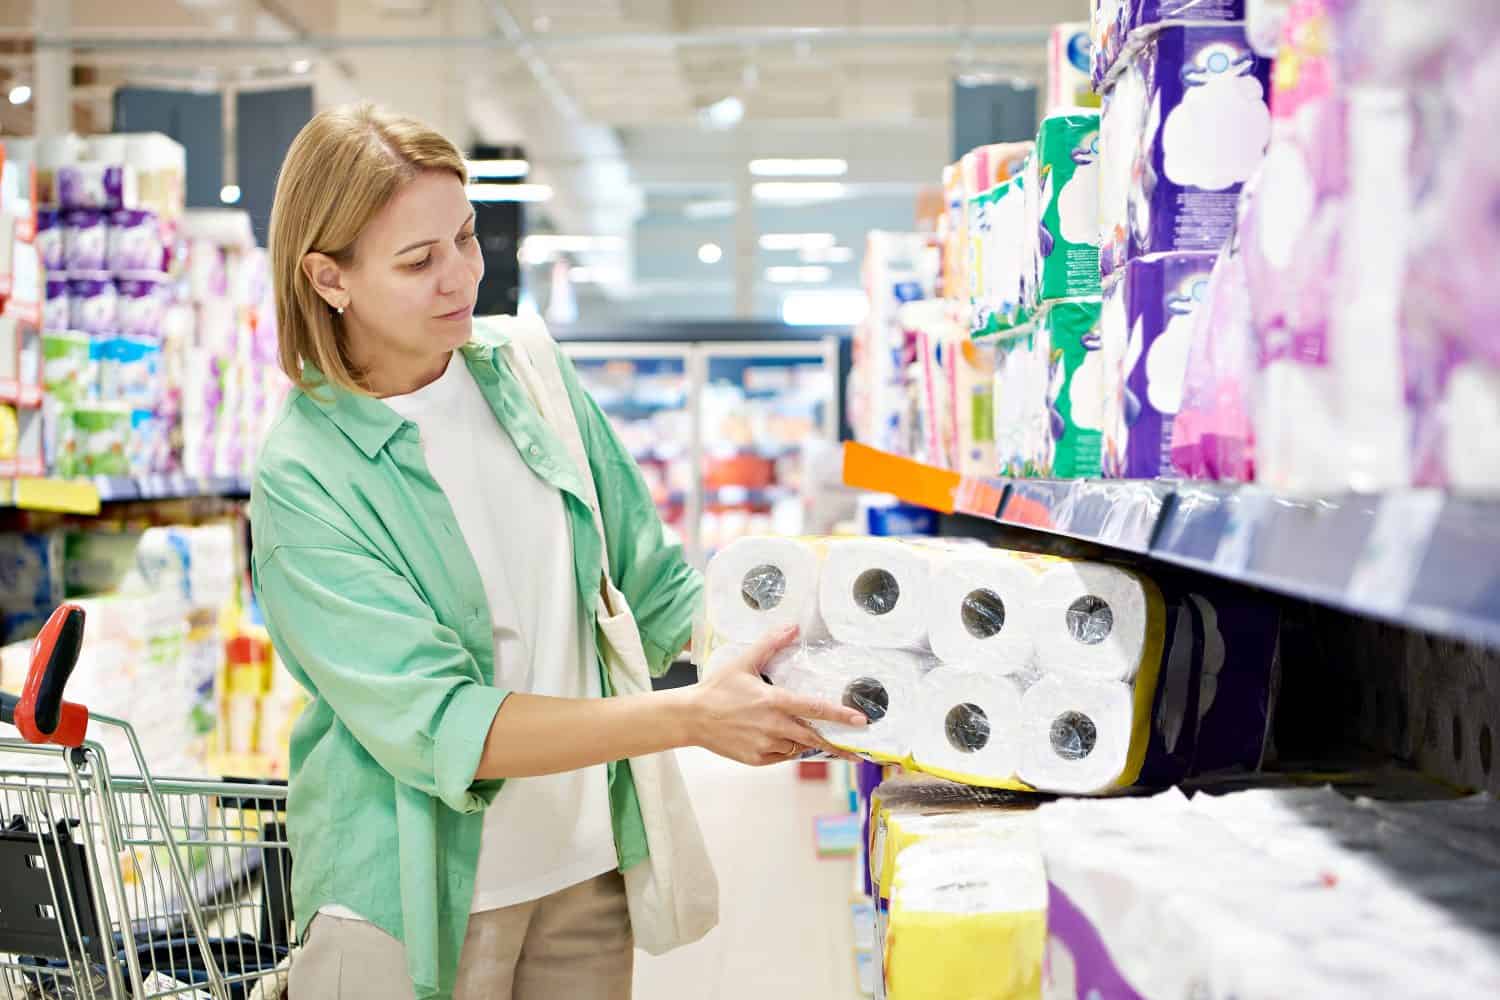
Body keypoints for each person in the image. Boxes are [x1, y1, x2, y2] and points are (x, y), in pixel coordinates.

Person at [250, 103, 867, 1000]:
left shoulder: (529, 373)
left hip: (583, 874)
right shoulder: (304, 475)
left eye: (465, 238)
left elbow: (649, 585)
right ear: (327, 278)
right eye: (417, 261)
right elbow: (445, 725)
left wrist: (809, 660)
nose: (460, 275)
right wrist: (692, 716)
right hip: (411, 907)